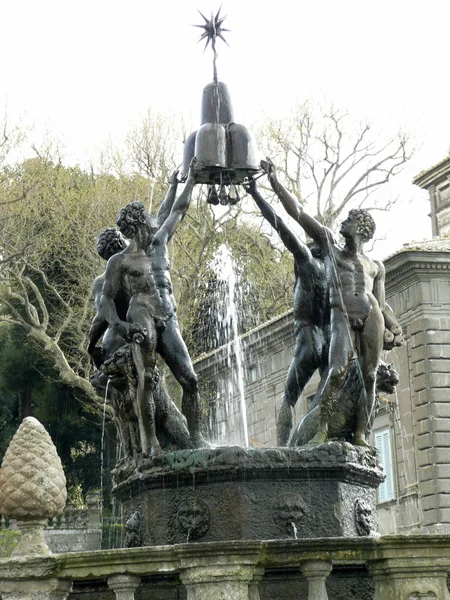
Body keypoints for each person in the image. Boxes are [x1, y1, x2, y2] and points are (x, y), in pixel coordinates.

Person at [262, 158, 402, 445]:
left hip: (370, 315)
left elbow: (382, 303)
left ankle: (362, 433)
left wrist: (394, 327)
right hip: (341, 316)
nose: (344, 221)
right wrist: (275, 184)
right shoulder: (330, 248)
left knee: (370, 375)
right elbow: (298, 213)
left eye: (350, 219)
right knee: (336, 372)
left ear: (361, 229)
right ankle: (323, 428)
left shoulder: (376, 265)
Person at [100, 161, 202, 454]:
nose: (152, 218)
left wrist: (187, 181)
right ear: (138, 225)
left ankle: (195, 442)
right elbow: (106, 299)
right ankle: (150, 443)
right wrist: (121, 326)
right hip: (141, 313)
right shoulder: (120, 261)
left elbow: (177, 209)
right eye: (146, 217)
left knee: (191, 380)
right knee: (145, 377)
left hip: (167, 314)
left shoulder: (160, 241)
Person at [245, 178, 329, 446]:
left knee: (289, 398)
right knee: (325, 395)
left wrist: (256, 194)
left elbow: (281, 227)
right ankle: (319, 438)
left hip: (307, 339)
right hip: (329, 339)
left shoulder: (307, 264)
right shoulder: (332, 273)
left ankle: (284, 450)